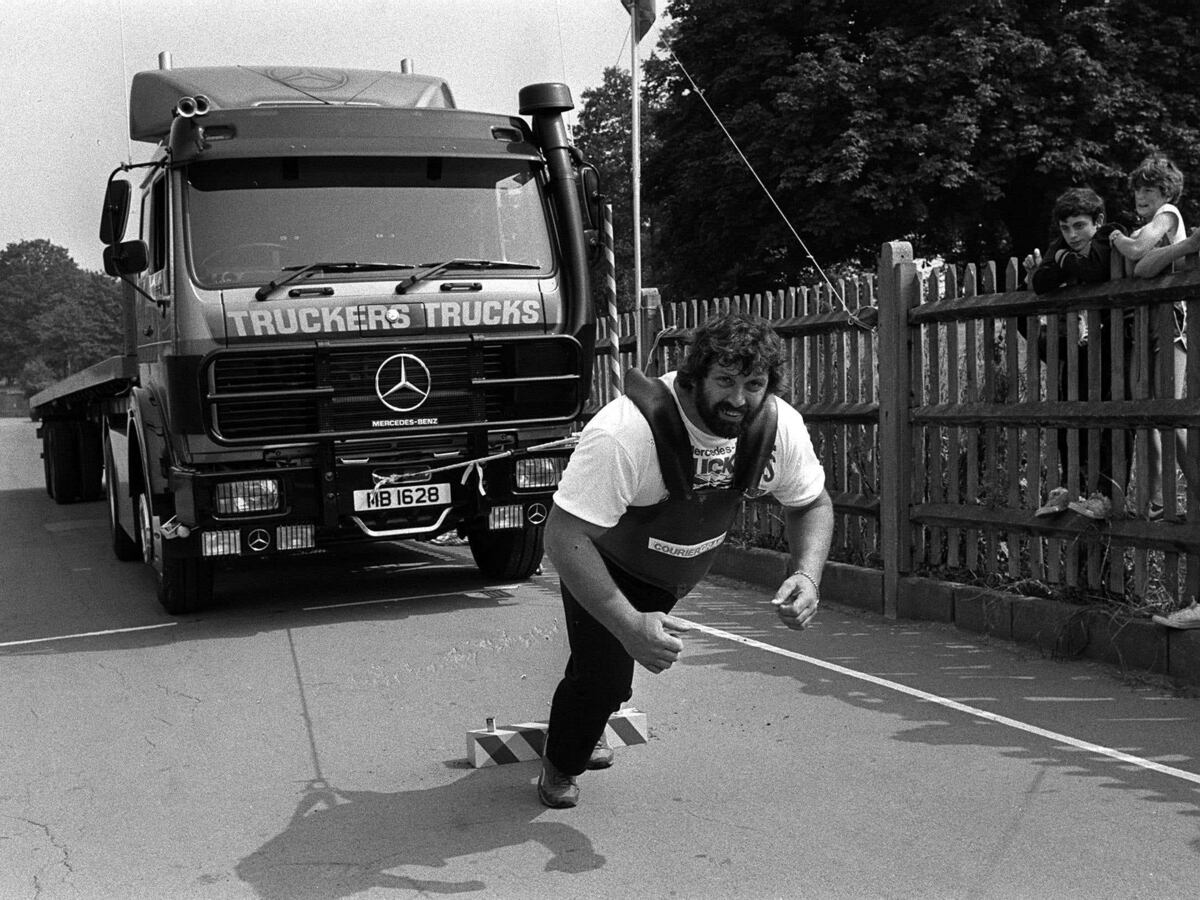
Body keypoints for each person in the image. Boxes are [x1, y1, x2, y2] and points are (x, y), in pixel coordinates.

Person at [538, 312, 833, 808]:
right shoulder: (624, 433)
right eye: (725, 382)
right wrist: (629, 623)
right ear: (694, 376)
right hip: (600, 560)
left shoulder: (778, 428)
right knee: (605, 674)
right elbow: (563, 537)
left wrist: (807, 574)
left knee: (611, 668)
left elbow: (812, 505)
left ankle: (593, 714)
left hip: (673, 573)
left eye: (754, 384)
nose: (738, 400)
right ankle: (560, 765)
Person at [1021, 188, 1129, 502]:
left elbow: (1094, 269)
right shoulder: (1063, 245)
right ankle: (1075, 488)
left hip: (1114, 346)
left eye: (1079, 226)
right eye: (1065, 228)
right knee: (1072, 418)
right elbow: (1040, 284)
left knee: (1111, 421)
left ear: (1098, 221)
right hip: (1079, 347)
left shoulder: (1110, 236)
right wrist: (1056, 261)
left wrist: (1061, 258)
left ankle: (1106, 494)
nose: (1072, 235)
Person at [1109, 153, 1193, 521]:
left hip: (1169, 322)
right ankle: (1156, 503)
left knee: (1169, 414)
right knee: (1148, 415)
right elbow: (1137, 264)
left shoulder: (1169, 214)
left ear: (1165, 192)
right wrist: (1132, 250)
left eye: (1149, 190)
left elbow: (1140, 256)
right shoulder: (1145, 224)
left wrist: (1118, 239)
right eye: (1137, 190)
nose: (1140, 197)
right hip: (1141, 325)